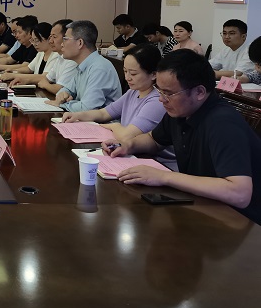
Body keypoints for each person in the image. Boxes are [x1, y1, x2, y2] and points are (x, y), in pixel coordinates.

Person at [102, 49, 261, 225]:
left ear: (199, 92)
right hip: (204, 205)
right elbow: (154, 140)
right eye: (159, 91)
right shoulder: (181, 110)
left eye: (168, 93)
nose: (161, 99)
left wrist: (163, 176)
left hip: (241, 222)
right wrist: (128, 145)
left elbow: (239, 193)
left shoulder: (223, 123)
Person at [61, 44, 166, 142]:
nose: (127, 77)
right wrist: (77, 115)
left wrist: (114, 126)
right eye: (125, 71)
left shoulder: (156, 101)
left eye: (133, 74)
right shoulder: (133, 92)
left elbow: (126, 136)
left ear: (153, 74)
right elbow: (103, 113)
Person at [46, 20, 122, 111]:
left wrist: (62, 104)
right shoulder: (83, 65)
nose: (62, 44)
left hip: (99, 120)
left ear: (80, 43)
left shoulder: (99, 68)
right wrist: (63, 94)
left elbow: (87, 108)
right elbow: (67, 89)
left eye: (65, 39)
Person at [36, 19, 78, 95]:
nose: (50, 41)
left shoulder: (73, 60)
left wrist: (46, 85)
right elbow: (45, 79)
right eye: (50, 37)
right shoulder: (60, 57)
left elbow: (60, 89)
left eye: (54, 37)